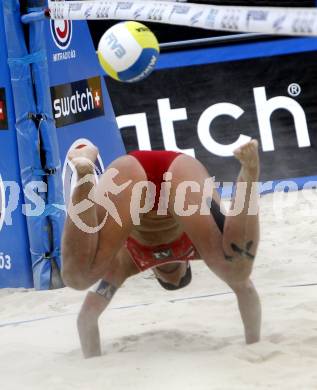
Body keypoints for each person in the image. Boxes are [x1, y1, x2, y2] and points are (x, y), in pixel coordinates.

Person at [61, 140, 261, 358]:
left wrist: (93, 362)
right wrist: (254, 342)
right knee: (238, 270)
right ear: (186, 262)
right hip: (177, 171)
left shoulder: (130, 262)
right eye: (176, 272)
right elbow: (246, 290)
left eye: (166, 274)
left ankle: (85, 176)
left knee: (77, 279)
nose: (168, 264)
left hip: (132, 173)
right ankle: (249, 177)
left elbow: (87, 317)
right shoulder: (197, 247)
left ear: (153, 271)